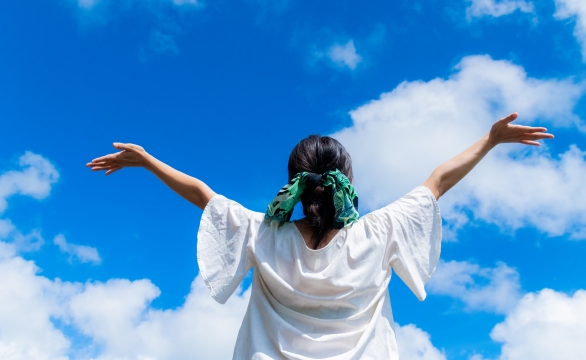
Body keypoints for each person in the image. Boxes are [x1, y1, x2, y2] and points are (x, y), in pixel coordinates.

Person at [87, 112, 553, 360]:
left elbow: (203, 195)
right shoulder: (379, 230)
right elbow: (438, 182)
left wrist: (148, 161)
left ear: (294, 179)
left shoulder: (263, 233)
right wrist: (489, 141)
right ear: (347, 177)